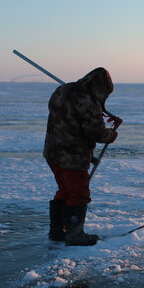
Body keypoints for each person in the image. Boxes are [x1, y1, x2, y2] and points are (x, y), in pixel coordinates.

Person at [44, 68, 118, 246]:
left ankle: (57, 232)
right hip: (72, 157)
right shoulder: (89, 102)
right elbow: (96, 133)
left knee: (65, 190)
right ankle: (75, 235)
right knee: (78, 193)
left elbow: (68, 115)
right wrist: (112, 134)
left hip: (53, 152)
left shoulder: (62, 90)